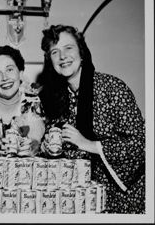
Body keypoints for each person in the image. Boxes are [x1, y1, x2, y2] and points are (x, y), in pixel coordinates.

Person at [38, 24, 145, 214]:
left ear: (82, 52)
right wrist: (49, 148)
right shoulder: (56, 99)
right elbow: (66, 151)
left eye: (68, 48)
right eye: (55, 52)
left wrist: (88, 144)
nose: (62, 56)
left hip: (124, 198)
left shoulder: (112, 88)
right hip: (82, 198)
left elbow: (141, 143)